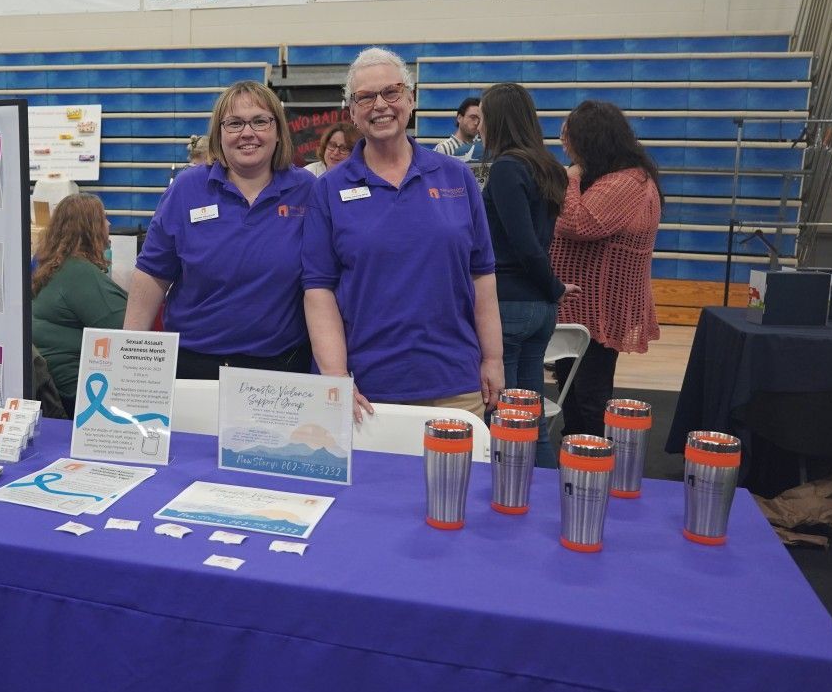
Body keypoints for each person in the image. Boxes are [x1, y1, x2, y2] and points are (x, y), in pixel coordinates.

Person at [303, 47, 502, 421]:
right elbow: (318, 289)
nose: (380, 105)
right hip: (363, 391)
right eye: (365, 97)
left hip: (454, 384)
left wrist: (493, 358)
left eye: (391, 92)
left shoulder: (456, 178)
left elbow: (482, 276)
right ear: (352, 112)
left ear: (410, 100)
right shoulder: (327, 189)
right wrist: (334, 377)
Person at [126, 80, 315, 379]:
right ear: (219, 134)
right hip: (193, 364)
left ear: (278, 131)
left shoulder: (307, 190)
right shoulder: (187, 189)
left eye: (260, 121)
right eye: (234, 123)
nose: (247, 133)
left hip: (280, 370)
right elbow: (152, 273)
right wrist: (129, 354)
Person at [550, 99, 662, 439]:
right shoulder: (613, 177)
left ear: (592, 140)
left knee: (589, 395)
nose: (563, 144)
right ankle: (576, 452)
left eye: (569, 137)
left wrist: (569, 176)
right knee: (571, 388)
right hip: (580, 305)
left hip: (598, 309)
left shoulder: (627, 182)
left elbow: (579, 223)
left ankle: (593, 459)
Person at [479, 82, 577, 467]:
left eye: (484, 118)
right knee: (532, 423)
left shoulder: (507, 168)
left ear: (498, 121)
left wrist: (552, 286)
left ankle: (503, 502)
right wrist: (550, 290)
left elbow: (524, 244)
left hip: (509, 304)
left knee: (502, 420)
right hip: (538, 307)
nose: (480, 127)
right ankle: (543, 506)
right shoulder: (546, 167)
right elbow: (538, 242)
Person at [31, 194, 129, 417]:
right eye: (104, 218)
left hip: (53, 387)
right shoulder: (80, 273)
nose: (109, 224)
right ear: (90, 228)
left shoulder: (51, 267)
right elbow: (129, 331)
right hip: (77, 394)